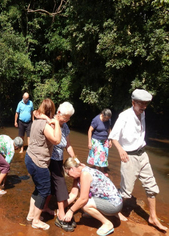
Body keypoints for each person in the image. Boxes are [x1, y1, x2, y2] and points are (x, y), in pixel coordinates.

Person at [108, 89, 168, 231]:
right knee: (126, 190)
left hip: (143, 154)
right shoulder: (124, 116)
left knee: (151, 187)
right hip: (129, 156)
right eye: (141, 104)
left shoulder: (142, 113)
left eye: (146, 104)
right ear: (133, 102)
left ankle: (152, 217)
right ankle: (115, 211)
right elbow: (113, 136)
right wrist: (121, 150)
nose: (144, 107)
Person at [25, 98, 61, 230]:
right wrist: (56, 123)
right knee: (45, 189)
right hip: (38, 162)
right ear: (51, 111)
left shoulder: (36, 120)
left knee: (38, 188)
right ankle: (36, 221)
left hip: (29, 157)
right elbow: (56, 140)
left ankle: (31, 215)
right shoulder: (45, 125)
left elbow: (36, 112)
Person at [62, 157, 123, 236]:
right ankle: (101, 213)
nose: (68, 176)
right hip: (111, 201)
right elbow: (73, 194)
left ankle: (107, 223)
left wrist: (71, 211)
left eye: (68, 173)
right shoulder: (79, 173)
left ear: (72, 168)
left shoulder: (85, 174)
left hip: (114, 204)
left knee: (85, 205)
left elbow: (83, 199)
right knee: (82, 205)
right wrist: (61, 208)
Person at [45, 102, 76, 232]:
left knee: (52, 186)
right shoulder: (51, 123)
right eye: (65, 117)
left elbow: (67, 145)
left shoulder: (66, 127)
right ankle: (61, 215)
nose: (67, 120)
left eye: (69, 118)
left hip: (58, 159)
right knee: (61, 184)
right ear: (58, 113)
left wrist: (75, 159)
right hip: (49, 159)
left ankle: (44, 207)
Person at [87, 109, 112, 176]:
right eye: (106, 118)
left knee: (105, 154)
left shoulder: (108, 120)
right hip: (96, 139)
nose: (106, 120)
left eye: (108, 119)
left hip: (105, 140)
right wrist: (89, 142)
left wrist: (110, 140)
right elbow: (90, 130)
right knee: (99, 154)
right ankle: (98, 170)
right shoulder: (96, 120)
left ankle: (102, 169)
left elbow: (109, 129)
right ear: (102, 115)